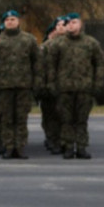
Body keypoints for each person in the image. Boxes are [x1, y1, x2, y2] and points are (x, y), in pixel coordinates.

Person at [0, 10, 42, 159]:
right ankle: (9, 147)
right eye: (7, 20)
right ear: (4, 23)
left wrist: (36, 84)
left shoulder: (29, 40)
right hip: (4, 88)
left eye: (13, 19)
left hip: (24, 86)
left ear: (18, 21)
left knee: (21, 119)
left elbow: (37, 63)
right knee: (7, 119)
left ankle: (20, 147)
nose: (10, 22)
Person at [47, 13, 104, 159]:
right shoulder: (58, 43)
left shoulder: (91, 43)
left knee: (81, 120)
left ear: (80, 24)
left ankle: (81, 147)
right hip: (64, 88)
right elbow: (51, 66)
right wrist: (52, 85)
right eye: (68, 23)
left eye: (74, 22)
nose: (71, 25)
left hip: (84, 88)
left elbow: (99, 64)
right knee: (66, 120)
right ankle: (67, 147)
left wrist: (97, 83)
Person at [40, 17, 68, 153]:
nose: (62, 27)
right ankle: (53, 140)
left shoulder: (74, 44)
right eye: (59, 25)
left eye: (64, 24)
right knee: (51, 116)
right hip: (50, 86)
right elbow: (40, 67)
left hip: (68, 86)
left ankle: (65, 141)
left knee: (66, 116)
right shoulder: (47, 46)